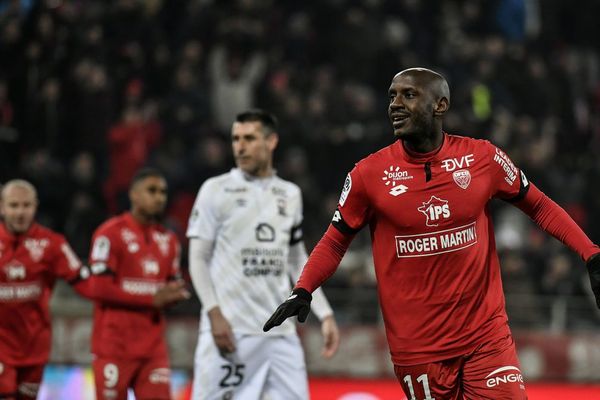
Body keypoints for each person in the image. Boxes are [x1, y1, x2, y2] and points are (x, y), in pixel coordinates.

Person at [264, 68, 600, 399]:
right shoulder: (368, 175)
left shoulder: (483, 158)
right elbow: (336, 239)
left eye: (408, 95)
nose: (395, 104)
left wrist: (591, 253)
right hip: (419, 351)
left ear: (440, 105)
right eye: (392, 96)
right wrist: (304, 288)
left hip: (486, 337)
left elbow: (539, 206)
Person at [187, 109, 340, 400]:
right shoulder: (215, 190)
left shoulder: (290, 194)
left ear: (271, 141)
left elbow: (296, 260)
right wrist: (214, 313)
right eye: (235, 138)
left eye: (249, 138)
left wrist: (325, 313)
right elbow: (198, 258)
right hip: (231, 330)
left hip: (279, 335)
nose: (240, 146)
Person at [86, 168, 190, 400]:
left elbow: (172, 285)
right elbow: (98, 288)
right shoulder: (109, 234)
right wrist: (151, 300)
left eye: (163, 192)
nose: (159, 197)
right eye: (152, 191)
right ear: (134, 195)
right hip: (113, 347)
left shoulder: (169, 240)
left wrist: (176, 294)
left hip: (153, 349)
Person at [0, 179, 89, 400]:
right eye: (13, 206)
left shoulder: (52, 244)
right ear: (2, 207)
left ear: (35, 207)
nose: (20, 212)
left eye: (26, 205)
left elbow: (86, 283)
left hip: (34, 346)